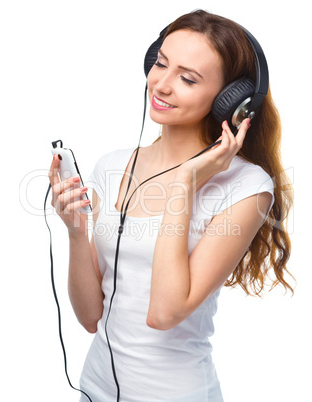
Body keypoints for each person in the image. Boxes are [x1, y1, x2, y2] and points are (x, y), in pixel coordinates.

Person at [48, 9, 293, 402]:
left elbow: (163, 313)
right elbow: (91, 318)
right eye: (160, 64)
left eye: (187, 78)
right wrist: (77, 233)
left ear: (231, 101)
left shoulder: (247, 187)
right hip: (94, 389)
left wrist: (185, 183)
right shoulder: (112, 166)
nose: (161, 85)